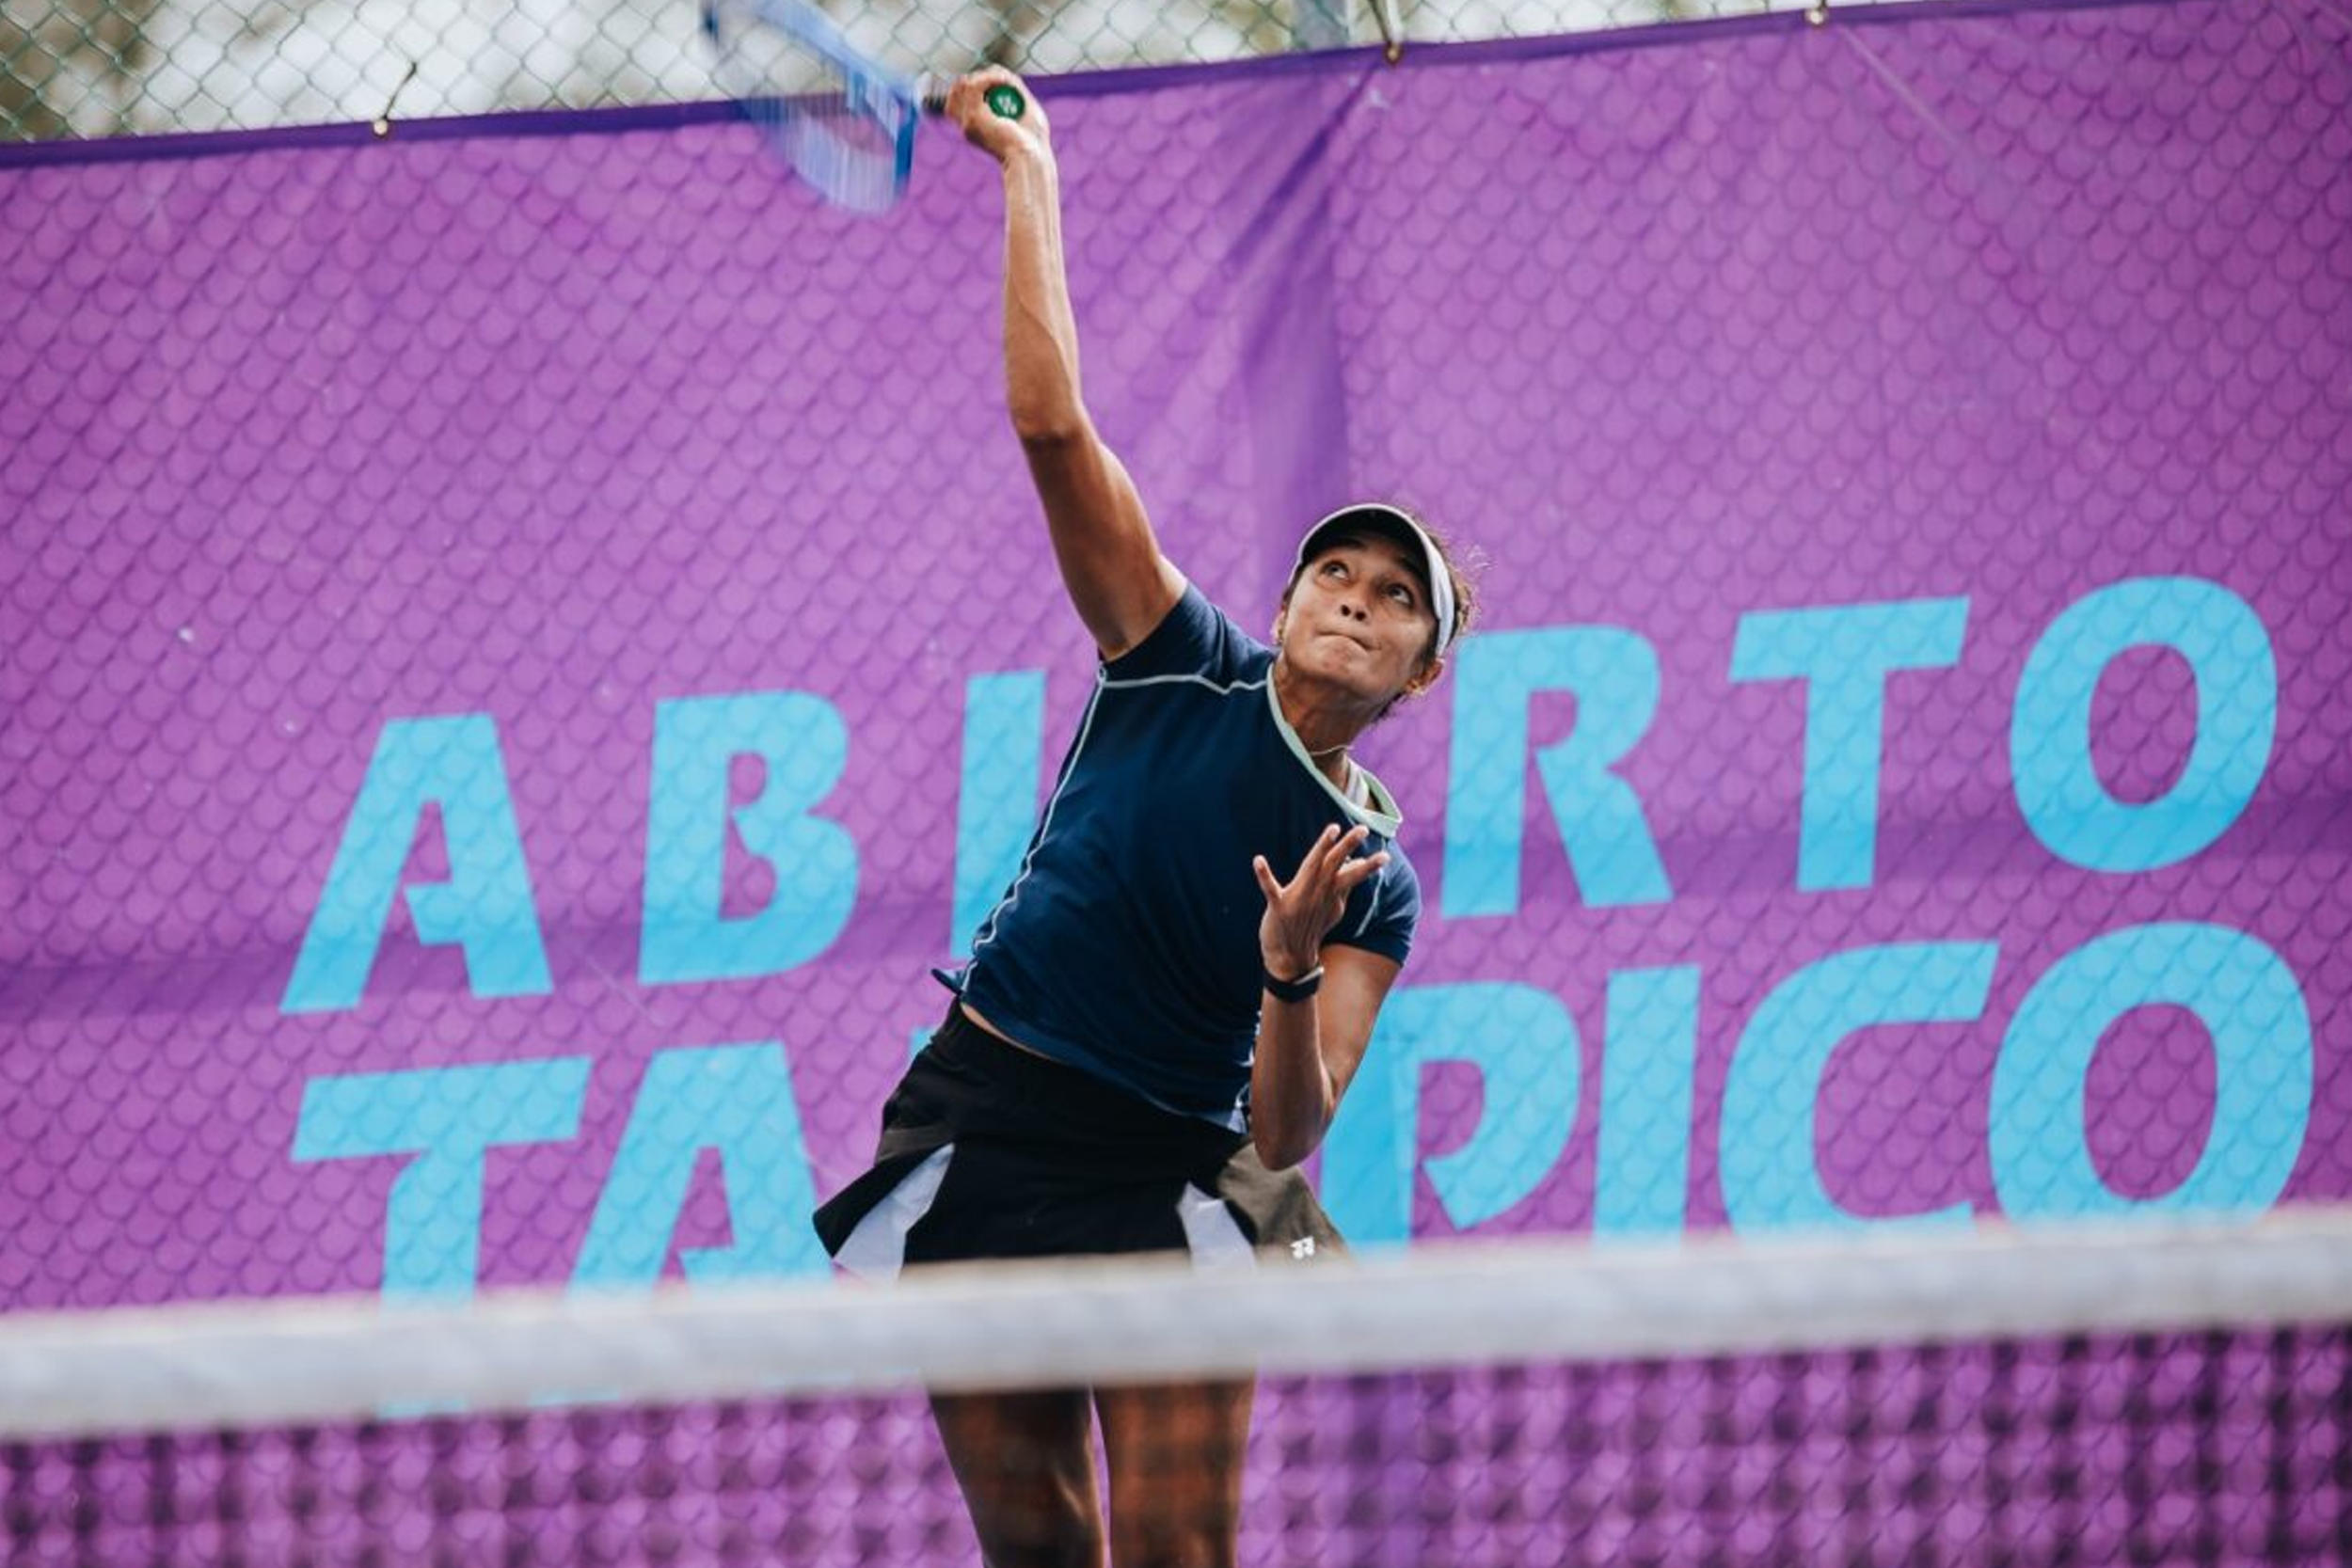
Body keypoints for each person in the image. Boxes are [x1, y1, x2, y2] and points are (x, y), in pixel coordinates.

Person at [811, 67, 1477, 1568]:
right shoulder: (1180, 656)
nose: (1353, 603)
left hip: (1177, 1163)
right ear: (1294, 594)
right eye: (1335, 575)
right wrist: (1028, 175)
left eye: (1392, 599)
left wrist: (1290, 962)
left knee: (1179, 1558)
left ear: (1422, 670)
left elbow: (1290, 1126)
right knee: (1040, 1550)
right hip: (988, 1118)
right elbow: (1055, 429)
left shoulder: (1372, 881)